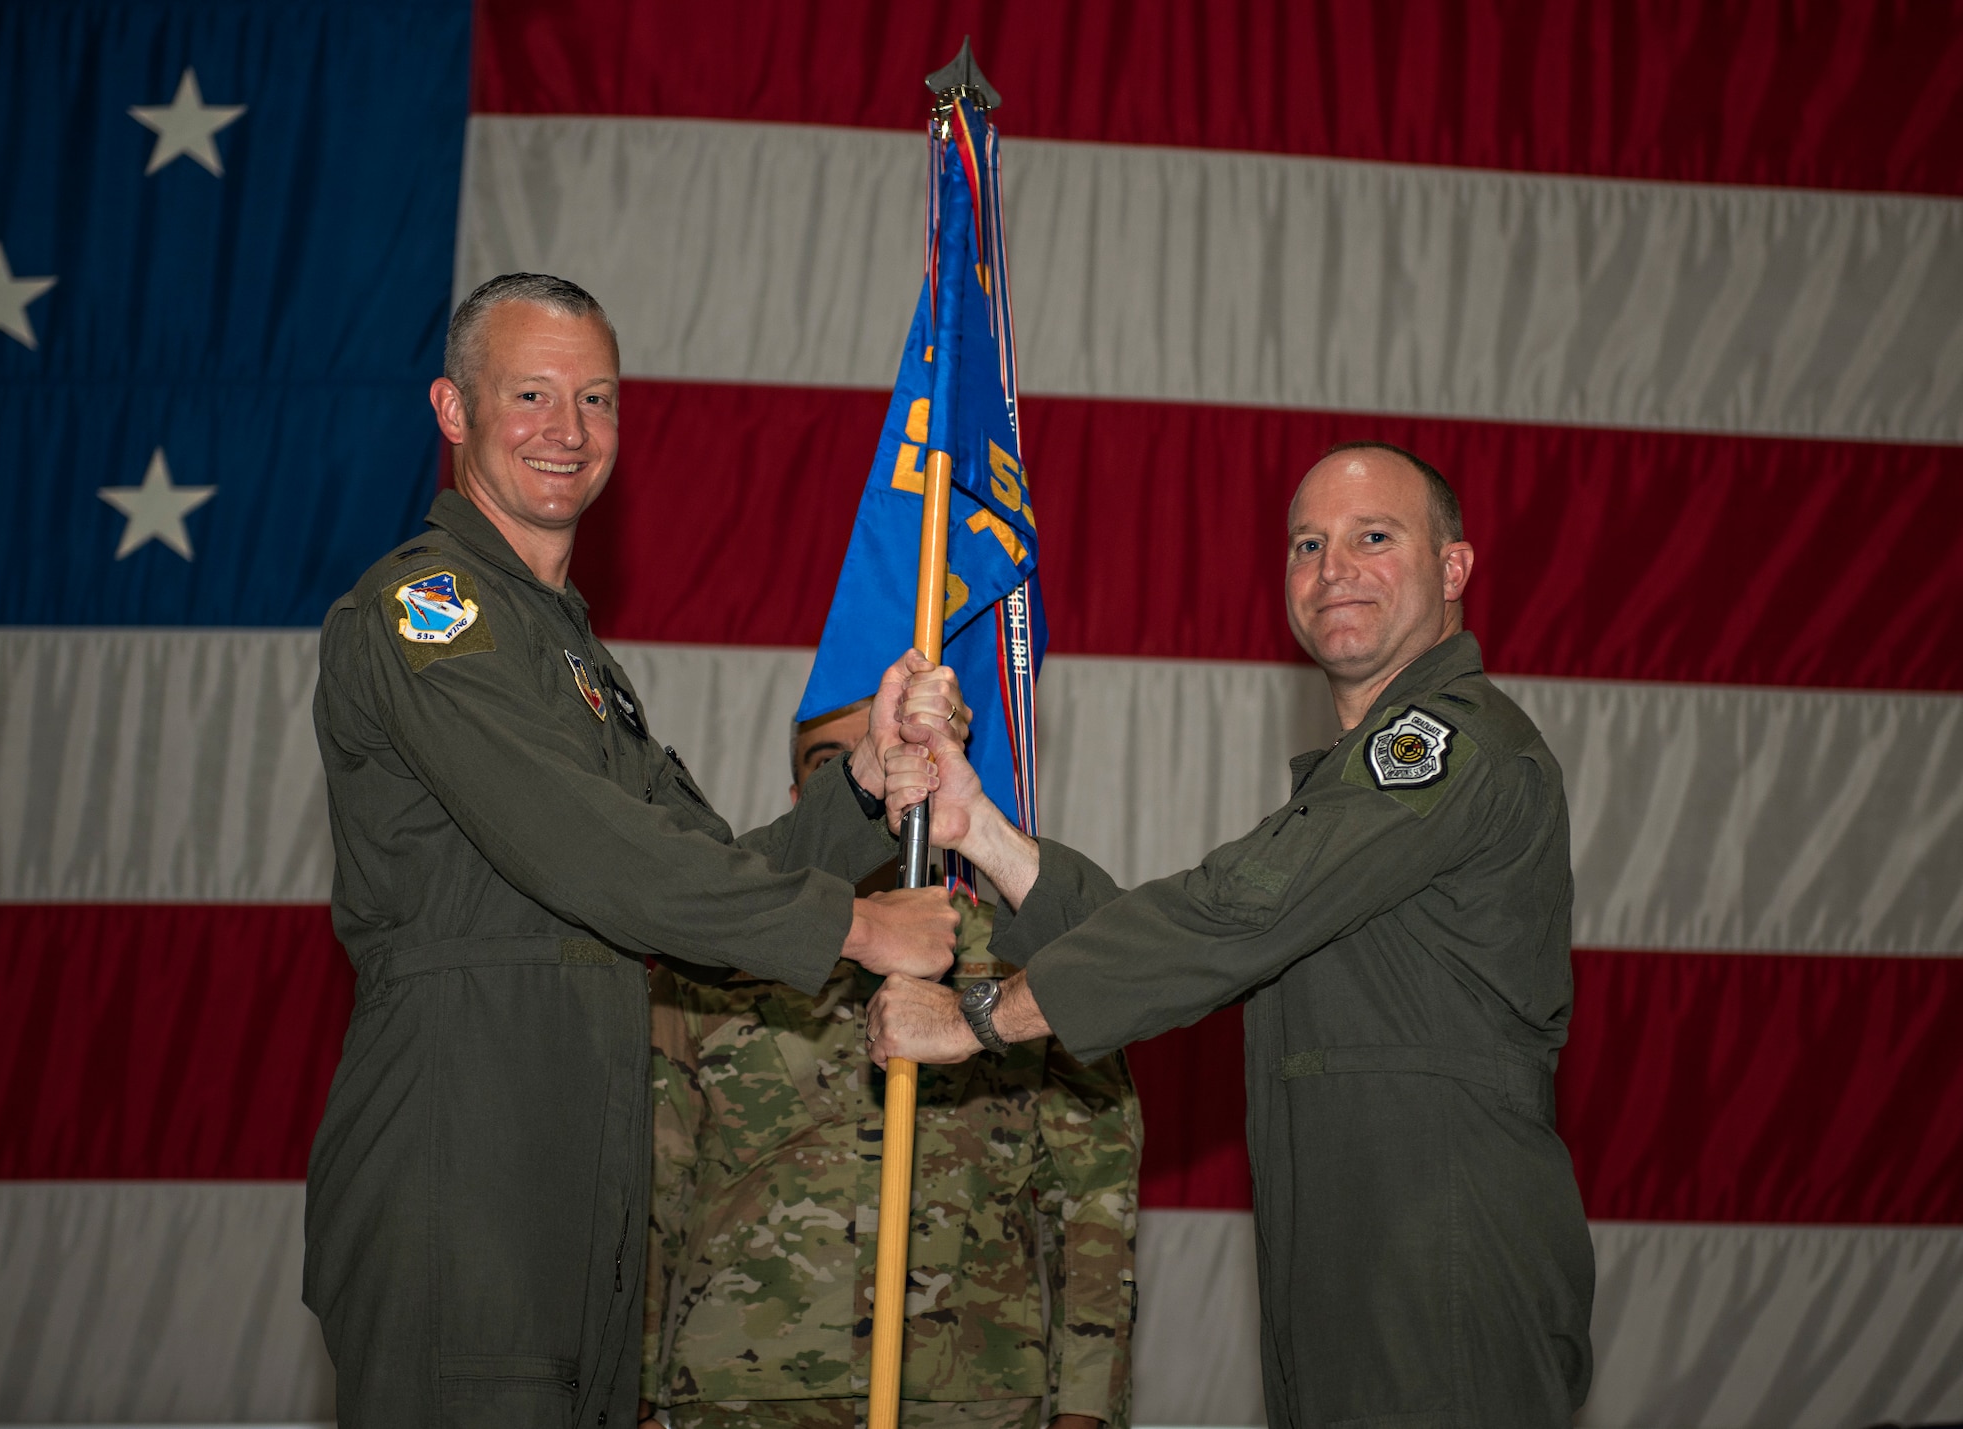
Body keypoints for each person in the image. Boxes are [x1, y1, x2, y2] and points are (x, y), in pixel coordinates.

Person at [304, 272, 961, 1429]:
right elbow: (593, 853)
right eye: (531, 395)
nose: (568, 432)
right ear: (453, 412)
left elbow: (697, 866)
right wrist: (856, 928)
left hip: (581, 1176)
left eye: (596, 399)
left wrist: (858, 781)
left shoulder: (572, 656)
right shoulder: (427, 611)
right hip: (465, 1159)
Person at [868, 443, 1596, 1428]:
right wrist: (980, 832)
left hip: (1442, 1274)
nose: (1331, 568)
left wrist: (975, 1017)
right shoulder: (1353, 788)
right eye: (1307, 544)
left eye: (1371, 537)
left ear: (1452, 568)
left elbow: (1234, 913)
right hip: (1344, 1268)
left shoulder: (1448, 745)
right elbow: (1208, 946)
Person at [636, 698, 1142, 1429]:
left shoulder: (1026, 962)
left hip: (971, 1389)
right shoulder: (710, 965)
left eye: (908, 759)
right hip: (743, 1388)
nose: (889, 783)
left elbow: (1094, 1194)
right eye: (836, 765)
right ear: (802, 804)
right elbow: (655, 1184)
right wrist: (637, 1395)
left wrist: (1086, 1410)